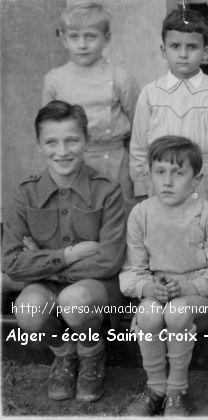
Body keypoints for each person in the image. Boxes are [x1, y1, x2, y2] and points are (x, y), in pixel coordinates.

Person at [2, 100, 126, 402]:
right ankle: (65, 354)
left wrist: (39, 263)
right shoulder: (25, 192)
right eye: (51, 142)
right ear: (39, 144)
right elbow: (11, 263)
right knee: (29, 309)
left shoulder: (106, 189)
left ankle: (92, 352)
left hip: (94, 288)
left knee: (74, 300)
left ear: (86, 140)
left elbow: (109, 260)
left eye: (72, 140)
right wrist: (70, 255)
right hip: (46, 284)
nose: (62, 151)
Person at [120, 136, 208, 416]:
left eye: (178, 173)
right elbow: (132, 270)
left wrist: (188, 286)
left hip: (197, 298)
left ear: (196, 178)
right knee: (150, 314)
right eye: (160, 172)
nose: (168, 181)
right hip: (158, 291)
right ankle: (155, 389)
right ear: (150, 174)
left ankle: (177, 390)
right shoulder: (141, 214)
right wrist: (149, 288)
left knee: (177, 312)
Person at [130, 7, 208, 219]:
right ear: (163, 50)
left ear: (206, 52)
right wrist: (142, 191)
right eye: (175, 46)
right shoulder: (151, 94)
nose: (183, 54)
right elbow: (139, 148)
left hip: (207, 188)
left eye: (192, 47)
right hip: (163, 189)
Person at [43, 2, 139, 213]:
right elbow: (48, 128)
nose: (83, 44)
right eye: (75, 37)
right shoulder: (55, 80)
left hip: (114, 161)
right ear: (64, 39)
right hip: (72, 160)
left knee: (119, 213)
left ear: (106, 38)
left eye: (90, 36)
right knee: (78, 213)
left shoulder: (120, 77)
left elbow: (139, 125)